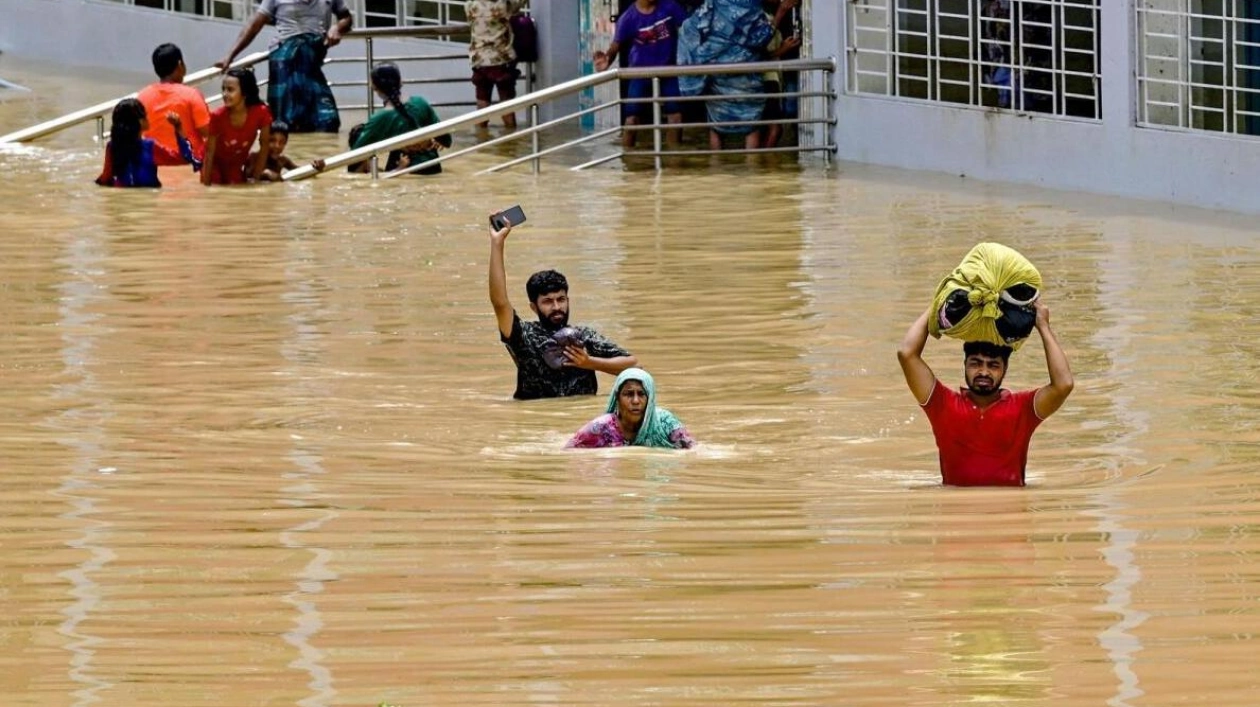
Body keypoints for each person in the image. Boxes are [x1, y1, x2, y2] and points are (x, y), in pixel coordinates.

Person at [896, 299, 1075, 486]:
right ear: (964, 365)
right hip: (958, 514)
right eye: (975, 363)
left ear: (1005, 368)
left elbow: (1064, 384)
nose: (983, 372)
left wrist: (1043, 326)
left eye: (993, 365)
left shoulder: (1023, 408)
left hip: (1010, 514)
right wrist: (938, 304)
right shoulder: (943, 404)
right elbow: (906, 354)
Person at [488, 218, 638, 400]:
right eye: (548, 301)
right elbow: (500, 303)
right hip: (536, 422)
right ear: (533, 307)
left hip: (581, 421)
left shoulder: (583, 336)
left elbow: (634, 367)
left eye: (561, 299)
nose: (557, 307)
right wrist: (497, 243)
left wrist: (589, 362)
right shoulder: (523, 336)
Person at [215, 0, 352, 133]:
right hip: (283, 63)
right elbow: (255, 24)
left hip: (310, 63)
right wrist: (230, 55)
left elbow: (346, 17)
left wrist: (337, 27)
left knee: (328, 121)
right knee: (283, 124)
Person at [677, 0, 775, 151]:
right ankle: (753, 169)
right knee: (751, 125)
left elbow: (690, 28)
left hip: (716, 71)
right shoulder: (751, 6)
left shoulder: (712, 5)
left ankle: (716, 167)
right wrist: (780, 13)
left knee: (716, 126)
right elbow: (761, 38)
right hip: (746, 74)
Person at [594, 0, 689, 149]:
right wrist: (607, 59)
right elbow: (615, 45)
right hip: (640, 71)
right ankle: (628, 157)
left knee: (675, 116)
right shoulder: (628, 18)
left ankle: (674, 159)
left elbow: (689, 31)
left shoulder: (670, 6)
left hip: (669, 69)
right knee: (632, 119)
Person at [346, 64, 452, 175]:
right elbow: (447, 140)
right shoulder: (420, 102)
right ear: (401, 82)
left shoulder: (380, 118)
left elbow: (354, 158)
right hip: (432, 168)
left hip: (403, 172)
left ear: (374, 87)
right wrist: (427, 139)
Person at [566, 368, 696, 449]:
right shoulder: (600, 427)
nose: (635, 401)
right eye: (628, 394)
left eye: (641, 394)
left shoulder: (665, 422)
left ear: (650, 399)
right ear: (617, 398)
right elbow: (569, 451)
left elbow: (693, 450)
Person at [95, 98, 200, 188]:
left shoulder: (112, 147)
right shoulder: (150, 147)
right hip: (147, 199)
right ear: (140, 121)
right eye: (145, 115)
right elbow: (185, 158)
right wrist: (178, 127)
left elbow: (105, 178)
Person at [137, 43, 211, 166]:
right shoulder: (192, 95)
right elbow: (208, 132)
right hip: (188, 163)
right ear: (180, 65)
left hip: (154, 164)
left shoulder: (142, 96)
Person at [203, 69, 273, 186]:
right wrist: (206, 187)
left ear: (245, 92)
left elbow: (264, 146)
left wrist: (256, 180)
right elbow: (209, 154)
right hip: (214, 164)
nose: (224, 94)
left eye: (230, 90)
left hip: (235, 166)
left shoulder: (261, 113)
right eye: (223, 89)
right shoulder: (217, 116)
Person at [467, 0, 524, 130]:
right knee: (506, 103)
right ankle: (511, 140)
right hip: (500, 60)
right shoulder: (503, 5)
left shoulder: (471, 5)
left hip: (479, 60)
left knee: (482, 102)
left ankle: (480, 138)